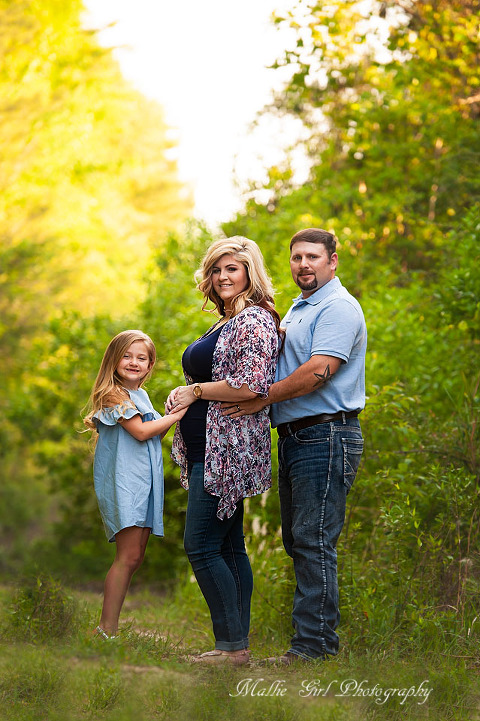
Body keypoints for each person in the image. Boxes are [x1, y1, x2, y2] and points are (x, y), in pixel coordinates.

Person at [222, 228, 366, 663]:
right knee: (300, 541)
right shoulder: (300, 307)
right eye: (296, 257)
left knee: (313, 540)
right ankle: (308, 644)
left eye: (313, 257)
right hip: (297, 438)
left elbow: (320, 370)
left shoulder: (339, 307)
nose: (303, 264)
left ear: (333, 261)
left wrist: (262, 398)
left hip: (327, 434)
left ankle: (313, 650)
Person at [165, 236, 281, 665]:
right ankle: (236, 647)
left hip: (226, 452)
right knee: (230, 547)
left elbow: (249, 384)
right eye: (216, 270)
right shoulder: (225, 321)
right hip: (209, 448)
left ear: (250, 272)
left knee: (200, 545)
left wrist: (193, 389)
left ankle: (230, 646)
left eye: (231, 269)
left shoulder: (254, 321)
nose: (222, 277)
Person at [84, 330, 186, 639]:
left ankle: (108, 628)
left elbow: (154, 435)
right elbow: (141, 433)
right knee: (127, 557)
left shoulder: (140, 396)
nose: (134, 362)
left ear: (150, 364)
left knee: (135, 556)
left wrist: (168, 416)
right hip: (125, 484)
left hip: (144, 483)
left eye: (142, 358)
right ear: (114, 360)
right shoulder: (113, 395)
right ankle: (105, 630)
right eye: (127, 356)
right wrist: (180, 414)